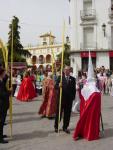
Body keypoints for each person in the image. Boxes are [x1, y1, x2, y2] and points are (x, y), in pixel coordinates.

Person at [73, 52, 101, 141]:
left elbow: (83, 98)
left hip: (87, 110)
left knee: (87, 121)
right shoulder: (96, 90)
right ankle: (91, 133)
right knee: (92, 121)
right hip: (92, 111)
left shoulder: (87, 88)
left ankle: (85, 132)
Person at [54, 66, 76, 134]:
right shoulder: (60, 78)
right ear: (64, 71)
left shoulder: (73, 79)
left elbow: (74, 89)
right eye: (66, 70)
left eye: (68, 70)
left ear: (70, 71)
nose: (67, 71)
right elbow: (55, 86)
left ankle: (65, 127)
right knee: (59, 113)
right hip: (61, 99)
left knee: (67, 114)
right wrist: (58, 85)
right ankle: (56, 126)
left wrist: (73, 97)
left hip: (69, 100)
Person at [0, 68, 11, 143]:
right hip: (1, 104)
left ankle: (1, 134)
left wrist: (8, 73)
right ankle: (0, 138)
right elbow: (2, 94)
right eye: (4, 73)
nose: (5, 74)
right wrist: (9, 92)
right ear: (1, 74)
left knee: (2, 121)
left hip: (4, 104)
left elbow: (5, 80)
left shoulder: (1, 80)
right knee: (1, 121)